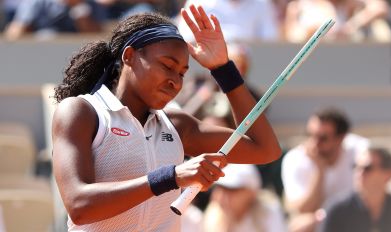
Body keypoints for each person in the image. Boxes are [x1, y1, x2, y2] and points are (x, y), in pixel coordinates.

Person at [51, 4, 281, 231]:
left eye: (182, 73)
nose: (176, 82)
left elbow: (265, 149)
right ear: (129, 56)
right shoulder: (81, 112)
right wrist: (170, 177)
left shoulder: (177, 125)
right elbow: (79, 206)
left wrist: (223, 69)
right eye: (167, 66)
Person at [281, 107, 369, 232]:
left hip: (355, 219)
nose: (314, 143)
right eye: (310, 135)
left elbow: (372, 199)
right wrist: (320, 171)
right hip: (319, 222)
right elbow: (303, 210)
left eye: (322, 138)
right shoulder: (295, 159)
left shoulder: (362, 153)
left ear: (341, 138)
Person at [320, 147, 391, 232]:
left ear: (388, 174)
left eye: (367, 168)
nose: (359, 173)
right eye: (356, 167)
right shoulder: (337, 210)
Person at [203, 164, 287, 232]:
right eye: (220, 188)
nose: (221, 196)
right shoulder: (212, 216)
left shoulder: (269, 210)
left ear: (251, 192)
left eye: (232, 190)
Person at [176, 0, 279, 43]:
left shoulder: (262, 4)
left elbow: (270, 40)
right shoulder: (199, 2)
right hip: (204, 75)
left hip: (250, 77)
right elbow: (185, 37)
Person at [5, 0, 105, 40]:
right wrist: (23, 25)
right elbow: (13, 34)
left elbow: (95, 38)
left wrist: (78, 7)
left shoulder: (93, 5)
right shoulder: (36, 3)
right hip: (39, 58)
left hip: (77, 61)